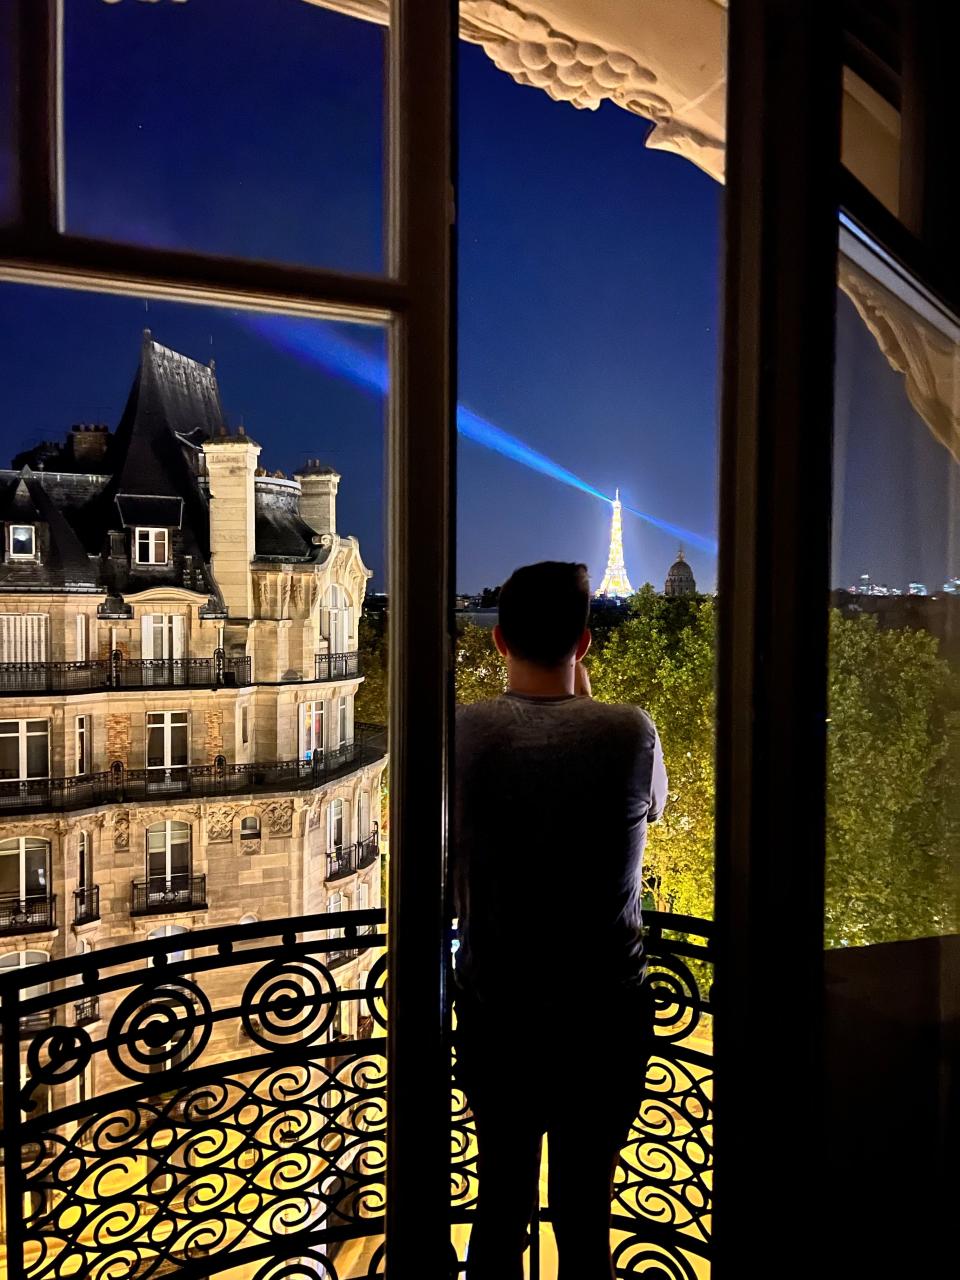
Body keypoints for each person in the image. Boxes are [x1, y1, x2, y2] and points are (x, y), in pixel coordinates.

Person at [453, 560, 668, 1280]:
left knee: (499, 1206)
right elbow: (653, 811)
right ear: (585, 643)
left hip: (497, 1011)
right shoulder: (630, 733)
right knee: (585, 1220)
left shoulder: (461, 734)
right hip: (605, 1013)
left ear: (497, 641)